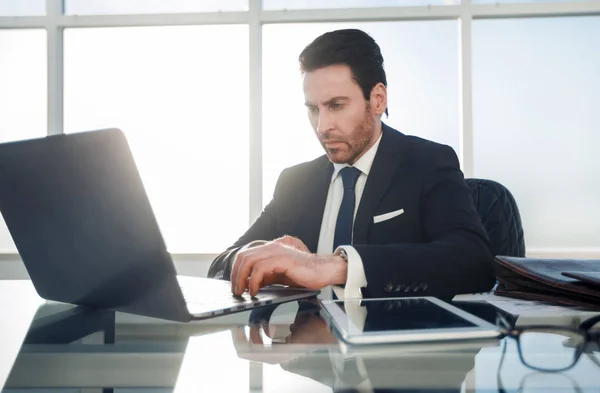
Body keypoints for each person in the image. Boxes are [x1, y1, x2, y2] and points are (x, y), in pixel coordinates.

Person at [208, 28, 496, 300]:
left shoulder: (427, 163)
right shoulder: (295, 182)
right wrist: (255, 253)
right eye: (312, 109)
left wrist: (334, 267)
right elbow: (219, 267)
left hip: (397, 346)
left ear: (377, 100)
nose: (322, 127)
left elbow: (474, 262)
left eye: (336, 105)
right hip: (309, 347)